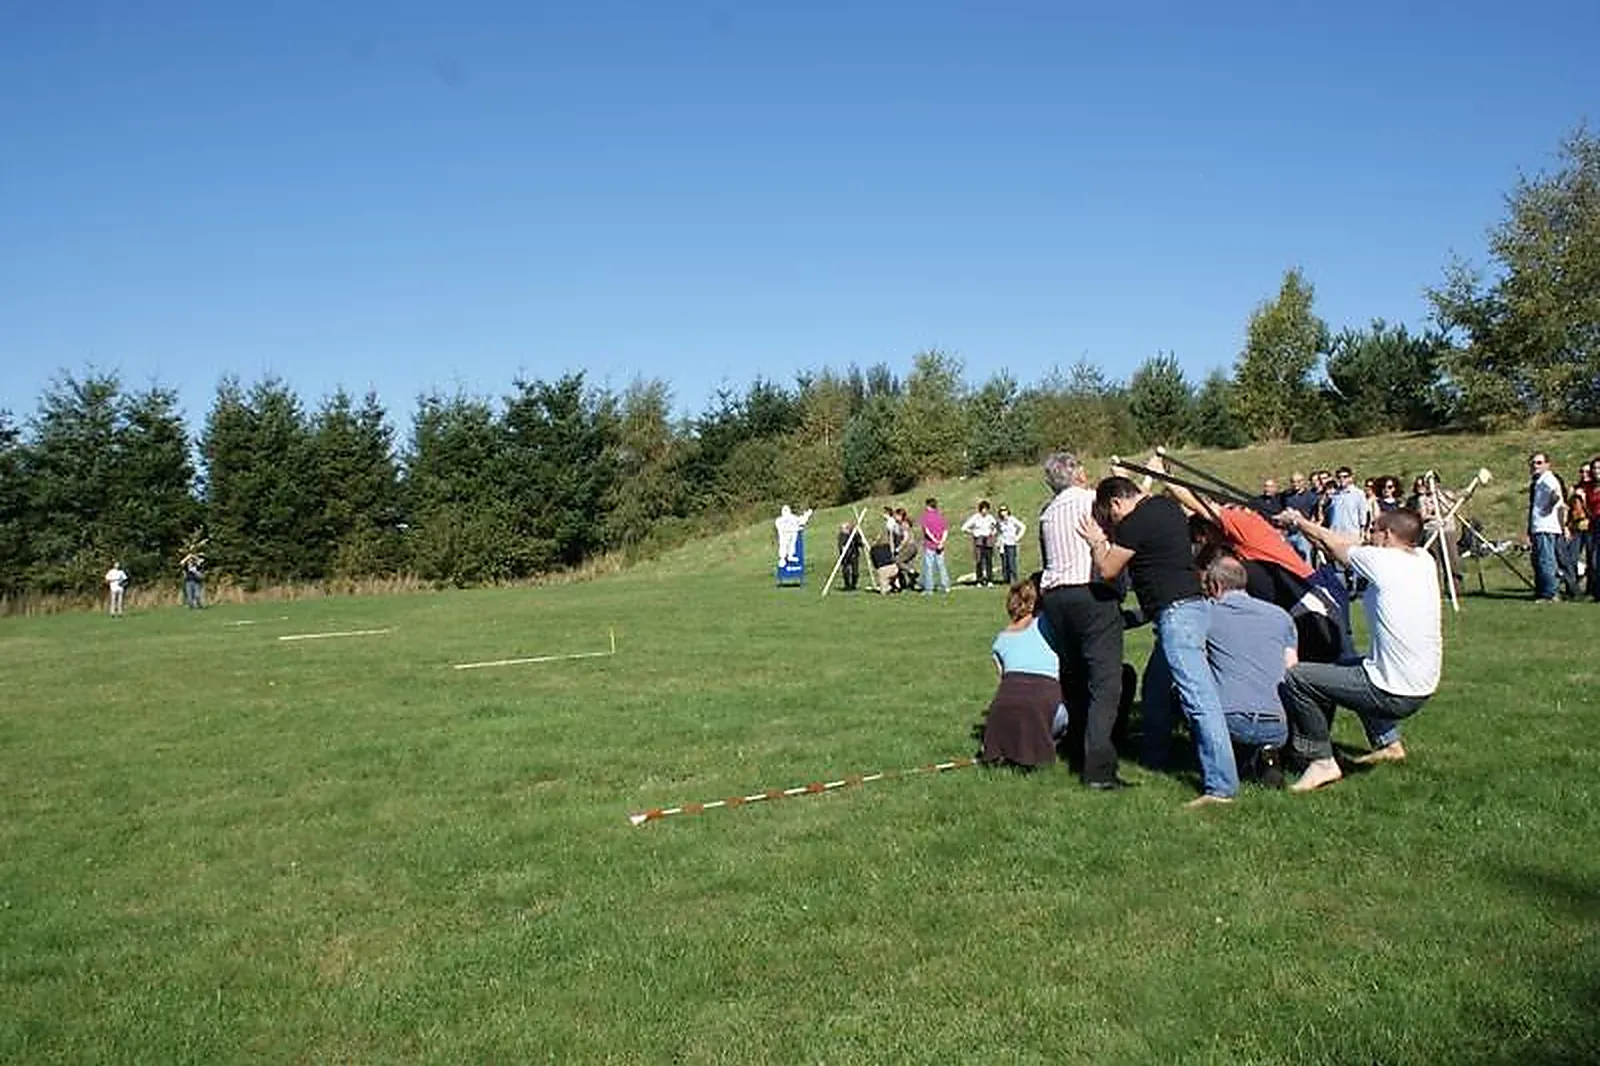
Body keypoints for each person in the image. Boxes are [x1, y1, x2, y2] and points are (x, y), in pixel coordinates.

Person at [1081, 474, 1238, 806]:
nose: (1113, 523)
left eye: (1111, 516)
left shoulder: (1132, 523)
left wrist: (1097, 541)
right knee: (1155, 688)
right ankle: (1154, 755)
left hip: (1176, 615)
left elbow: (1109, 570)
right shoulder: (1165, 506)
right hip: (1191, 608)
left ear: (1116, 503)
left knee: (1199, 699)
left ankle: (1221, 786)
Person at [1275, 506, 1442, 792]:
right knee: (1349, 662)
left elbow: (1335, 544)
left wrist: (1298, 520)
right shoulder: (1422, 558)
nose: (1368, 535)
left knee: (1297, 677)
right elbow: (1334, 544)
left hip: (1394, 693)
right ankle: (1389, 744)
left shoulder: (1382, 561)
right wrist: (1305, 527)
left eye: (1374, 530)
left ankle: (1321, 761)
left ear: (1388, 535)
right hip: (1422, 685)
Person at [1035, 452, 1127, 790]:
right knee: (1106, 683)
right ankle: (1100, 770)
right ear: (1078, 475)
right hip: (1089, 593)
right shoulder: (1091, 501)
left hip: (1056, 598)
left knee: (1074, 678)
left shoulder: (1046, 513)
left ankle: (1076, 749)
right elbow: (1125, 518)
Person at [1201, 554, 1295, 788]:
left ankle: (1226, 756)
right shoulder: (1281, 616)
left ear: (1215, 585)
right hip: (1278, 723)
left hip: (1229, 718)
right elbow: (1292, 669)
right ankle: (1266, 755)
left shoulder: (1206, 614)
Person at [979, 581, 1063, 768]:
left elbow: (1002, 683)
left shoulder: (1000, 641)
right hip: (1046, 706)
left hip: (1002, 712)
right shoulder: (1047, 626)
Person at [1528, 451, 1565, 602]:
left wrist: (1549, 507)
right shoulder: (1539, 480)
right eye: (1533, 463)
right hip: (1538, 527)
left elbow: (1557, 494)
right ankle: (1542, 591)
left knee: (1546, 561)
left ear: (1547, 464)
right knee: (1539, 561)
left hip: (1546, 527)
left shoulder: (1548, 478)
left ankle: (1550, 594)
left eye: (1539, 463)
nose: (1535, 466)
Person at [961, 500, 1000, 587]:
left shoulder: (990, 518)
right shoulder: (975, 517)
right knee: (979, 561)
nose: (984, 511)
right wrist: (973, 532)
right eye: (983, 509)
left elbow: (996, 527)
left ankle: (990, 580)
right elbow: (964, 528)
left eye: (986, 509)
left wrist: (993, 532)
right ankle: (980, 580)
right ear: (980, 509)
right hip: (979, 540)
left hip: (988, 541)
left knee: (989, 561)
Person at [919, 498, 951, 595]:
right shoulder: (941, 517)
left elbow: (927, 531)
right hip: (940, 546)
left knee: (929, 567)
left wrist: (935, 541)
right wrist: (941, 542)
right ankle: (946, 586)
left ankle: (929, 588)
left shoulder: (925, 517)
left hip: (930, 545)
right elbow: (945, 531)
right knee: (941, 566)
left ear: (928, 506)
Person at [997, 505, 1026, 585]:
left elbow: (1023, 527)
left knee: (1011, 562)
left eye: (1004, 510)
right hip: (1003, 544)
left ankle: (1014, 579)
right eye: (1001, 510)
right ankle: (1006, 579)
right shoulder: (1000, 522)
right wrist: (999, 543)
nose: (1003, 512)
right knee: (1005, 563)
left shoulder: (1012, 520)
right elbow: (999, 532)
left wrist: (1017, 537)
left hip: (1011, 544)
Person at [836, 523, 862, 591]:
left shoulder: (854, 535)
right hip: (845, 556)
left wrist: (857, 534)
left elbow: (859, 542)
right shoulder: (842, 536)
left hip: (854, 554)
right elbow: (841, 545)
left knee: (855, 572)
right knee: (846, 571)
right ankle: (847, 585)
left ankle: (854, 584)